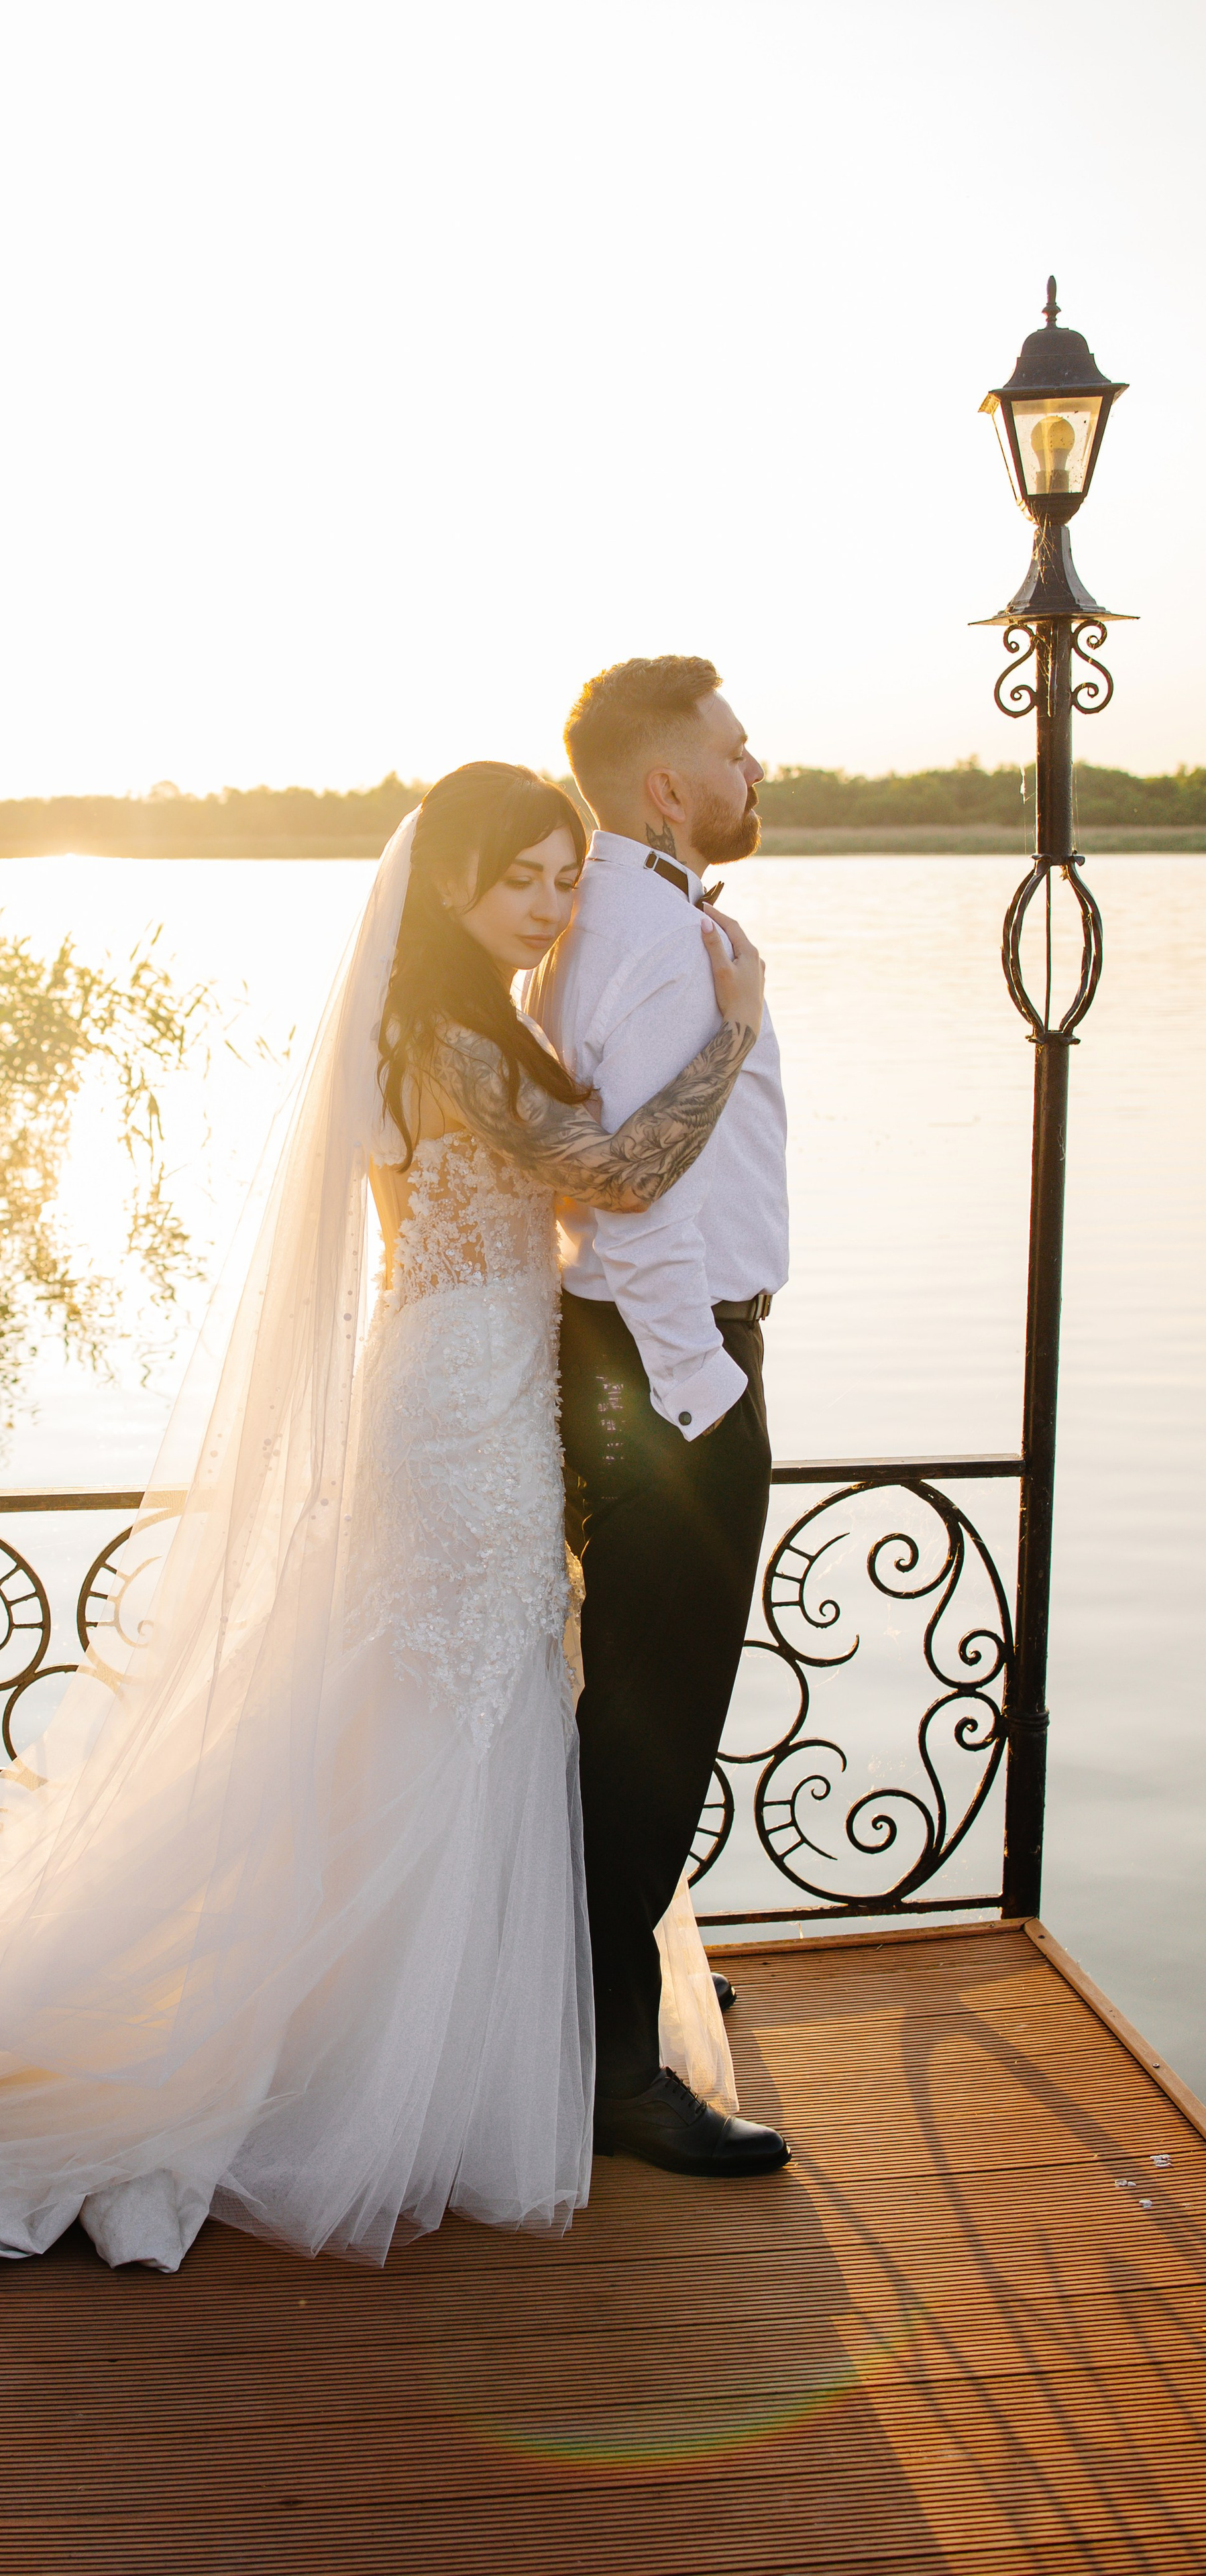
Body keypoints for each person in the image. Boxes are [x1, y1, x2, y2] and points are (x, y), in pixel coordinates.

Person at [0, 762, 773, 2296]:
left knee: (471, 1702)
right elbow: (617, 1173)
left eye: (568, 880)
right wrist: (733, 1023)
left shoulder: (470, 1021)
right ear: (448, 885)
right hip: (455, 1407)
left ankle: (461, 2041)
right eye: (525, 881)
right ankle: (386, 2062)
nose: (552, 907)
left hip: (478, 1382)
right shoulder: (443, 1034)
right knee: (456, 1697)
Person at [529, 659, 791, 2177]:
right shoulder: (647, 934)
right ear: (664, 785)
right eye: (733, 750)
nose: (759, 767)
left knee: (627, 1698)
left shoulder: (623, 915)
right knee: (650, 1720)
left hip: (640, 1363)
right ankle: (614, 2073)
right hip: (664, 1370)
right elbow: (629, 1196)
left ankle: (616, 1977)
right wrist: (703, 1390)